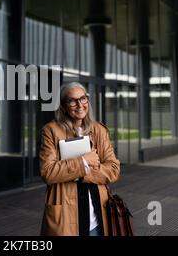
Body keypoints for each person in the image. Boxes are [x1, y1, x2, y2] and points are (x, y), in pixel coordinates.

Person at [40, 82, 120, 236]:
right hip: (65, 217)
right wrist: (84, 162)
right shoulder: (51, 131)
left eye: (83, 99)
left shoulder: (99, 130)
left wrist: (81, 173)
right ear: (63, 106)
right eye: (72, 101)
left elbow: (114, 170)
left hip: (97, 217)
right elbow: (47, 172)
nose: (79, 105)